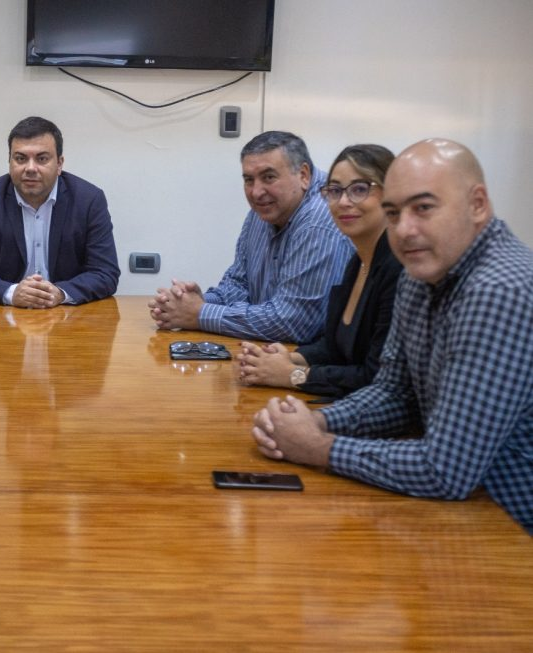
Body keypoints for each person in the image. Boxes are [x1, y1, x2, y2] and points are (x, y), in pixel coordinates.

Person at [251, 139, 533, 534]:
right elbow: (395, 394)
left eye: (424, 208)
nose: (404, 230)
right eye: (394, 213)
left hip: (511, 524)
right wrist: (316, 421)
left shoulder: (497, 290)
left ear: (478, 204)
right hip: (464, 509)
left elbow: (445, 471)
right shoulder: (422, 273)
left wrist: (317, 446)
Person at [149, 131, 353, 343]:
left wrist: (199, 314)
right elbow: (239, 284)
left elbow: (293, 322)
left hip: (308, 358)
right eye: (248, 180)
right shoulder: (267, 208)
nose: (256, 192)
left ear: (303, 175)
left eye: (269, 177)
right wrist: (193, 303)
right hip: (270, 353)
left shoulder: (319, 220)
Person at [238, 144, 403, 398]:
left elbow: (375, 378)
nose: (344, 202)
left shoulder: (399, 269)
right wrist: (287, 358)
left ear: (391, 196)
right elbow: (334, 346)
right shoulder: (359, 261)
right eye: (334, 191)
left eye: (359, 189)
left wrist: (293, 375)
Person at [0, 116, 120, 308]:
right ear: (9, 162)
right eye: (20, 158)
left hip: (67, 316)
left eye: (42, 159)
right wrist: (12, 293)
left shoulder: (89, 200)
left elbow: (105, 273)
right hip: (4, 316)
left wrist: (60, 293)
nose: (30, 168)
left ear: (59, 164)